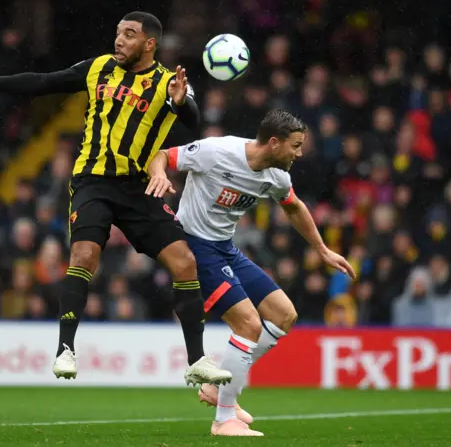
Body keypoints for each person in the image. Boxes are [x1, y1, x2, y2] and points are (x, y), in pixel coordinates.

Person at [0, 11, 231, 386]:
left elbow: (193, 120)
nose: (120, 40)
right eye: (118, 33)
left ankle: (196, 360)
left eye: (129, 34)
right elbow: (43, 82)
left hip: (139, 187)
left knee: (184, 261)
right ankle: (65, 349)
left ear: (149, 44)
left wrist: (181, 102)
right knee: (84, 255)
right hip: (92, 180)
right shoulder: (98, 68)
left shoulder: (168, 82)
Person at [146, 109, 356, 436]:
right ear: (274, 143)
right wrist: (158, 175)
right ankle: (223, 419)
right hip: (194, 246)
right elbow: (161, 156)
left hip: (225, 248)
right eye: (295, 146)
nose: (299, 154)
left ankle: (222, 388)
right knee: (248, 324)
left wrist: (322, 250)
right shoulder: (217, 152)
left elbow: (294, 207)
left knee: (284, 314)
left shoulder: (276, 176)